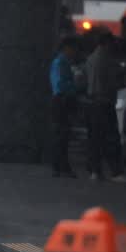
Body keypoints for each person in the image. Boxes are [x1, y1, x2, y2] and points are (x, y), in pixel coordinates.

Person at [83, 32, 126, 182]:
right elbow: (113, 82)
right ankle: (116, 172)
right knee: (111, 138)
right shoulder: (107, 60)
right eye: (112, 43)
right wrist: (124, 80)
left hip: (92, 102)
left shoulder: (90, 59)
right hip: (105, 102)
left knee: (95, 139)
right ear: (107, 43)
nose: (114, 46)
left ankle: (94, 171)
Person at [49, 37, 80, 178]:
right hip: (62, 100)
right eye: (73, 48)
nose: (74, 52)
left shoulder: (62, 62)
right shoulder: (61, 62)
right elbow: (61, 84)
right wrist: (75, 86)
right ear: (67, 48)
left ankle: (60, 165)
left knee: (62, 134)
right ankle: (60, 165)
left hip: (61, 100)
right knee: (62, 134)